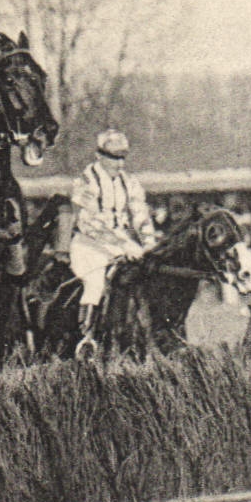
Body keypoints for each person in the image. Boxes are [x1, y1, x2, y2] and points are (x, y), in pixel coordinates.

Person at [69, 129, 157, 358]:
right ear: (99, 156)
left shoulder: (130, 182)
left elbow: (140, 214)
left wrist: (148, 242)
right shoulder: (87, 180)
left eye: (122, 157)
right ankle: (86, 338)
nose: (119, 163)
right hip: (89, 244)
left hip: (121, 244)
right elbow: (91, 222)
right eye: (113, 157)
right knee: (96, 282)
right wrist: (125, 244)